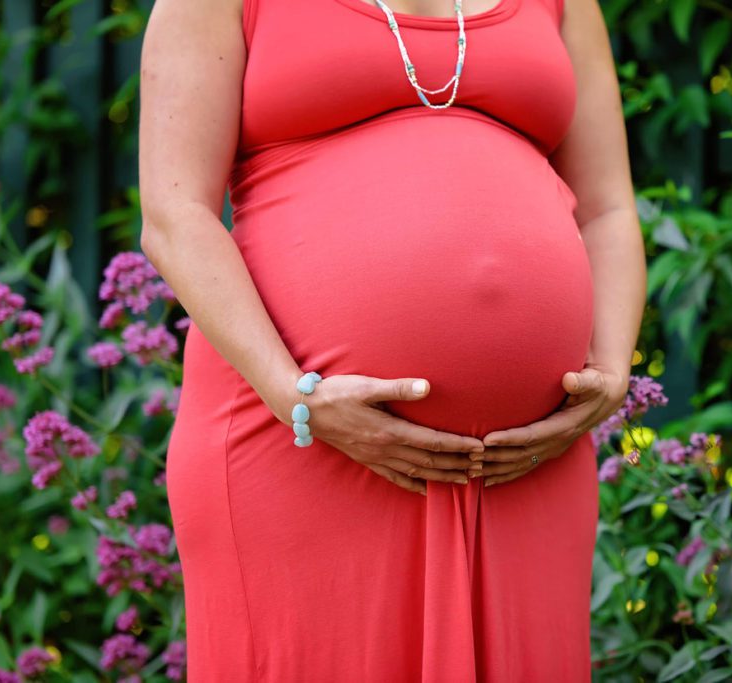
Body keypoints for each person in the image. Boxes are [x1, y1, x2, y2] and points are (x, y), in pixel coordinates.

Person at [138, 0, 645, 677]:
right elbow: (175, 211)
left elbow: (610, 208)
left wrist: (611, 369)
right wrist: (297, 396)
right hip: (298, 438)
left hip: (528, 463)